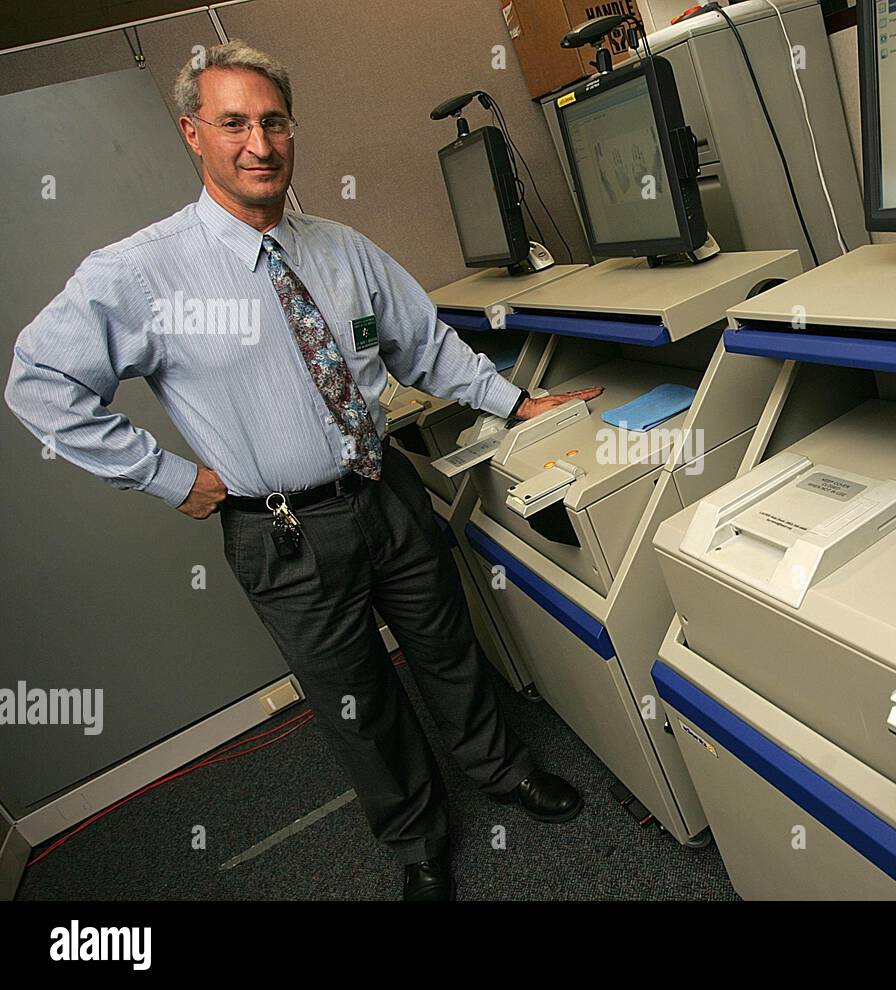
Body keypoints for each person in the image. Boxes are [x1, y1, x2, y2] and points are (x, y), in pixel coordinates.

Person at [5, 39, 604, 902]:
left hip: (384, 491)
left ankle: (501, 770)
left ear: (292, 129)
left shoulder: (342, 249)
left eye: (274, 120)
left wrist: (514, 404)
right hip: (280, 530)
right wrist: (171, 479)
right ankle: (420, 839)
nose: (259, 143)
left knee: (448, 648)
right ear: (193, 135)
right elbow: (40, 384)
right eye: (234, 122)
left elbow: (424, 346)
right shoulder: (141, 272)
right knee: (356, 699)